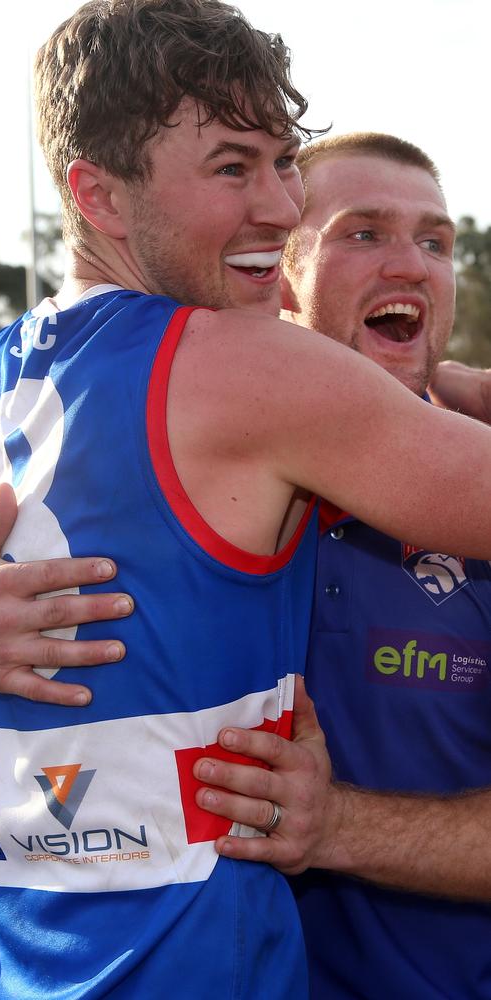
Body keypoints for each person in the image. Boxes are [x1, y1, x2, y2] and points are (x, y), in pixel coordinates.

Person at [0, 3, 491, 997]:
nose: (280, 206)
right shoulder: (243, 366)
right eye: (231, 167)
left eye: (282, 162)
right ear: (96, 194)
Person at [184, 133, 491, 999]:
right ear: (280, 272)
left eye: (436, 242)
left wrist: (338, 827)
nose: (412, 264)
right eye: (364, 233)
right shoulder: (198, 467)